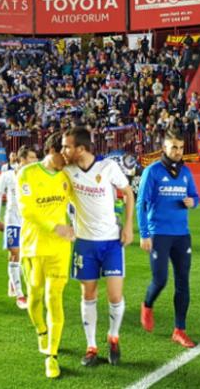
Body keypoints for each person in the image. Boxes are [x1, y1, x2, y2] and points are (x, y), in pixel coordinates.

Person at [61, 126, 135, 367]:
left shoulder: (108, 167)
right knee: (88, 294)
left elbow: (128, 192)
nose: (64, 150)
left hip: (112, 241)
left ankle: (113, 336)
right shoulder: (67, 170)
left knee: (115, 296)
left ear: (80, 149)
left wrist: (128, 226)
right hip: (84, 242)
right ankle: (91, 346)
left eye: (67, 146)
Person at [17, 133, 73, 379]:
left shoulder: (67, 176)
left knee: (54, 298)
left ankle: (52, 355)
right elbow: (27, 210)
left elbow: (82, 202)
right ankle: (41, 330)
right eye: (64, 152)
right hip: (33, 247)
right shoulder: (27, 174)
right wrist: (55, 227)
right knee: (35, 296)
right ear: (51, 150)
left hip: (59, 248)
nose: (68, 158)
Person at [136, 129, 200, 348]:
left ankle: (179, 330)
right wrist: (144, 234)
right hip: (159, 233)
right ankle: (147, 304)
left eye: (181, 147)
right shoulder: (152, 172)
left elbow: (196, 196)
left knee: (183, 282)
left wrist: (193, 202)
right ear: (164, 147)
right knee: (161, 279)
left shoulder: (186, 172)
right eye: (174, 147)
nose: (178, 151)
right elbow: (141, 204)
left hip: (182, 234)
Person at [0, 145, 38, 310]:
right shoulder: (7, 176)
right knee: (15, 253)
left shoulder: (35, 177)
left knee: (23, 256)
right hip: (12, 220)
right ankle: (20, 295)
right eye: (32, 157)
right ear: (22, 159)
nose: (35, 161)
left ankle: (13, 281)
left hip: (29, 222)